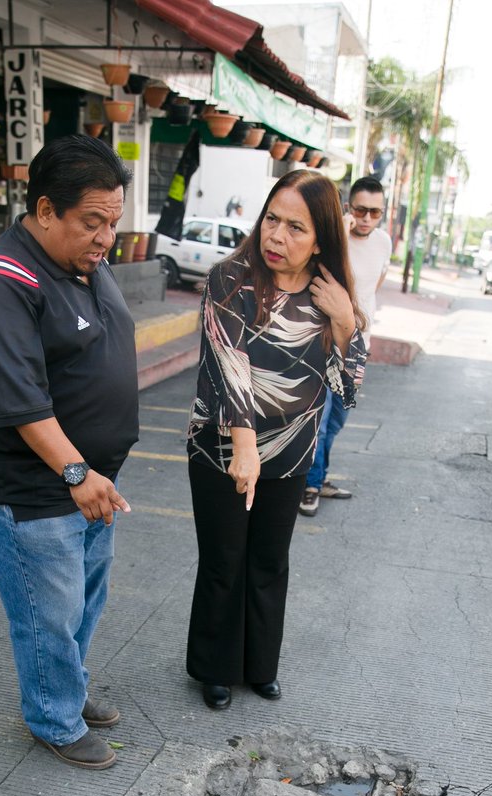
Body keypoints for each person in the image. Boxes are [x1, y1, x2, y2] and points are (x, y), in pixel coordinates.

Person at [0, 135, 138, 770]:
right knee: (47, 614)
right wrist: (76, 471)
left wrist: (94, 474)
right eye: (92, 222)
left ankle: (69, 689)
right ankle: (54, 719)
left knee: (83, 603)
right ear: (43, 210)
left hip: (91, 481)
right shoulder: (0, 282)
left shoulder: (85, 261)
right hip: (36, 489)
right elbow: (21, 401)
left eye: (113, 222)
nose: (106, 237)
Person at [186, 169, 367, 710]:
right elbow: (229, 368)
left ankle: (260, 666)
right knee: (224, 559)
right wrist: (244, 450)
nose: (276, 236)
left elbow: (346, 388)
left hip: (291, 453)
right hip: (222, 446)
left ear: (321, 240)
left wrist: (345, 323)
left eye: (295, 228)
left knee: (269, 561)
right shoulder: (230, 279)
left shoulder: (329, 296)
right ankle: (215, 668)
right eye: (272, 219)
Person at [299, 175, 392, 517]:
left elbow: (373, 285)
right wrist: (338, 230)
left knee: (338, 418)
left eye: (375, 212)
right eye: (360, 210)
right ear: (349, 207)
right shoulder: (333, 238)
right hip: (326, 340)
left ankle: (318, 476)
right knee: (320, 421)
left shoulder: (384, 242)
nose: (366, 218)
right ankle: (310, 486)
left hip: (358, 343)